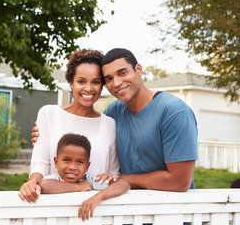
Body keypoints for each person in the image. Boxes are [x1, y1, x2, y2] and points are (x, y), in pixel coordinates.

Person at [32, 48, 198, 192]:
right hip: (123, 210)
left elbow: (180, 181)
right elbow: (84, 135)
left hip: (169, 211)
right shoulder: (115, 112)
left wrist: (124, 179)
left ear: (138, 69)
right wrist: (46, 136)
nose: (117, 83)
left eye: (122, 72)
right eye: (109, 78)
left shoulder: (174, 112)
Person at [19, 49, 120, 203]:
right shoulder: (49, 114)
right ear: (71, 83)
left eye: (95, 82)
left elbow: (114, 172)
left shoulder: (110, 123)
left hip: (95, 209)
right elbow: (41, 162)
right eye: (81, 81)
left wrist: (111, 177)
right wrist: (33, 181)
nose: (88, 88)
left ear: (102, 86)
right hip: (55, 205)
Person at [39, 133, 130, 221]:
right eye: (66, 160)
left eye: (80, 162)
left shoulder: (90, 180)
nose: (72, 167)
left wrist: (98, 197)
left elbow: (124, 185)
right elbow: (44, 185)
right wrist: (78, 187)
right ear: (56, 162)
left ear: (87, 166)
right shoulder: (55, 179)